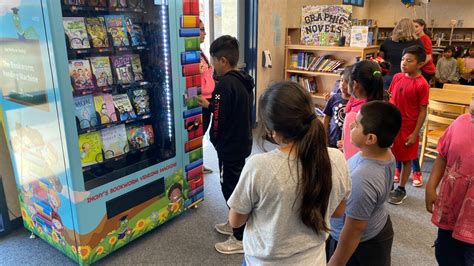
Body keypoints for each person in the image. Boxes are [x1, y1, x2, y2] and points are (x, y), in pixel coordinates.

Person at [226, 81, 351, 265]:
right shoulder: (337, 159)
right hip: (314, 259)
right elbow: (339, 211)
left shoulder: (259, 166)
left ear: (272, 132)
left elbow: (235, 221)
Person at [197, 35, 254, 254]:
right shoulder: (242, 80)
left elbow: (219, 121)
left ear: (222, 60)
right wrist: (209, 104)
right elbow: (228, 111)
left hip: (228, 146)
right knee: (237, 184)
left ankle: (239, 237)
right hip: (242, 142)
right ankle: (235, 222)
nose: (211, 66)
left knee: (229, 187)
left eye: (213, 60)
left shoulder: (223, 86)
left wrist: (215, 141)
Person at [327, 101, 402, 266]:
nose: (351, 124)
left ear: (370, 138)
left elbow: (353, 231)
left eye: (357, 124)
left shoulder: (362, 180)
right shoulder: (384, 153)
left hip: (360, 246)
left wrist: (335, 262)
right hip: (376, 227)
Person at [425, 95, 474, 266]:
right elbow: (443, 155)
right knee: (445, 254)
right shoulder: (461, 121)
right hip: (452, 208)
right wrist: (431, 186)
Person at [388, 45, 429, 204]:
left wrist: (415, 133)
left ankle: (402, 188)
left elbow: (422, 110)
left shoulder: (422, 84)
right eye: (403, 59)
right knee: (389, 156)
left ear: (419, 64)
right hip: (392, 124)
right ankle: (389, 184)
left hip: (408, 127)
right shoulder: (397, 77)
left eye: (409, 61)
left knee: (406, 159)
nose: (404, 63)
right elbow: (390, 97)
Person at [341, 60, 385, 160]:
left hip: (358, 167)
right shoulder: (383, 106)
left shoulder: (355, 116)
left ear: (355, 84)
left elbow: (350, 155)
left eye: (347, 80)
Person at [379, 18, 423, 89]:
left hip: (389, 75)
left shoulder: (387, 41)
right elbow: (421, 59)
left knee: (386, 98)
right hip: (408, 76)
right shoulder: (417, 42)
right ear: (412, 28)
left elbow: (381, 58)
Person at [199, 20, 215, 174]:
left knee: (202, 134)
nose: (205, 33)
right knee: (198, 135)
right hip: (201, 101)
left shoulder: (200, 52)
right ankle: (197, 166)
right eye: (202, 29)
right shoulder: (192, 54)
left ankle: (199, 164)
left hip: (208, 98)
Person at [323, 67, 351, 148]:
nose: (342, 84)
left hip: (346, 143)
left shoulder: (355, 101)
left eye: (347, 82)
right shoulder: (334, 98)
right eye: (341, 80)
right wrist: (324, 134)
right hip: (332, 139)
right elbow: (327, 117)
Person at [414, 19, 436, 84]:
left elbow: (428, 57)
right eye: (413, 27)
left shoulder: (425, 39)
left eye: (416, 26)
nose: (414, 29)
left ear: (422, 27)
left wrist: (417, 67)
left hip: (426, 69)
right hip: (420, 68)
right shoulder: (417, 38)